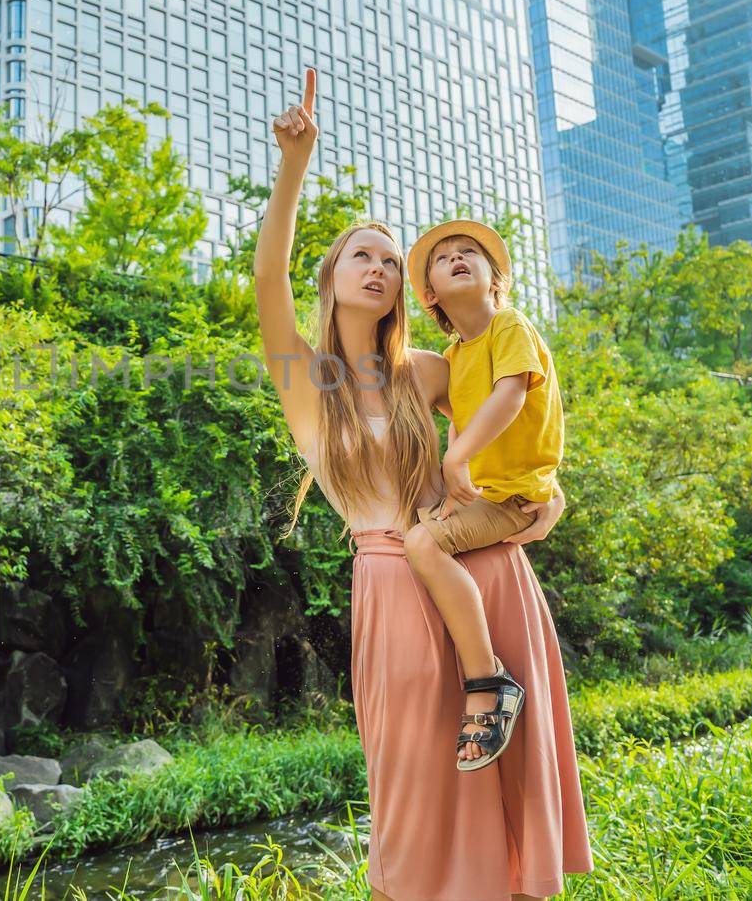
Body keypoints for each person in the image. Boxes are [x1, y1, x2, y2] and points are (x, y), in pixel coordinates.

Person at [254, 68, 593, 900]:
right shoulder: (307, 378)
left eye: (388, 260)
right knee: (411, 797)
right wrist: (295, 166)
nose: (377, 267)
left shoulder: (432, 372)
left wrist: (542, 498)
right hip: (389, 582)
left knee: (504, 787)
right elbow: (267, 279)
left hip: (483, 572)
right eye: (359, 256)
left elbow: (523, 410)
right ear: (332, 276)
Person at [396, 218, 566, 771]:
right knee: (415, 525)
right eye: (444, 260)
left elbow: (510, 397)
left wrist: (456, 458)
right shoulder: (455, 357)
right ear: (430, 295)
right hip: (486, 494)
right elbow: (459, 415)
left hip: (513, 498)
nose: (458, 259)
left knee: (424, 545)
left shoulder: (509, 326)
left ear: (497, 279)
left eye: (471, 253)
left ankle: (488, 679)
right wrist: (451, 470)